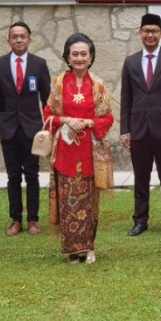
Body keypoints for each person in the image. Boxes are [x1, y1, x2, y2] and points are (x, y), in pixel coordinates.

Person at [45, 33, 115, 263]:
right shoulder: (58, 83)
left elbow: (107, 118)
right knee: (68, 200)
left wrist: (87, 122)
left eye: (84, 53)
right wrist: (66, 120)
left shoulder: (98, 85)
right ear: (67, 56)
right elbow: (47, 116)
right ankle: (72, 249)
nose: (79, 58)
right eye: (74, 54)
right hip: (65, 151)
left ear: (91, 56)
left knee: (88, 200)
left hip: (89, 152)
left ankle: (89, 247)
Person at [0, 21, 51, 236]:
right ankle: (16, 220)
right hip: (8, 129)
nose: (19, 40)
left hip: (33, 130)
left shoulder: (39, 64)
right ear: (9, 40)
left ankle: (33, 219)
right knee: (13, 176)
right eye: (14, 36)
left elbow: (47, 99)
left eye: (23, 36)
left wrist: (49, 126)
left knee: (32, 175)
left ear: (29, 39)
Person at [120, 13, 161, 237]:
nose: (150, 35)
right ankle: (140, 220)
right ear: (140, 34)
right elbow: (126, 97)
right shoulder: (131, 61)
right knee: (141, 177)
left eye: (155, 31)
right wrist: (125, 129)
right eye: (146, 31)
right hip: (138, 129)